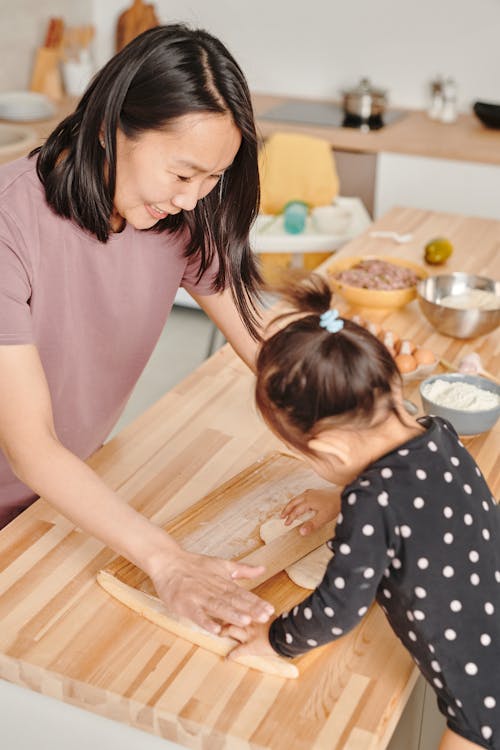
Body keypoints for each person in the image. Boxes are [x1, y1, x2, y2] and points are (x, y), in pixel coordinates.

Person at [0, 24, 275, 633]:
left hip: (61, 501)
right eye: (183, 175)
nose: (193, 198)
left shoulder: (178, 219)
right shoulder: (8, 225)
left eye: (213, 179)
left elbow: (265, 341)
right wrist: (168, 562)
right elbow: (32, 446)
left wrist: (366, 404)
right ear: (109, 128)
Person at [226, 274, 500, 750]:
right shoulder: (438, 432)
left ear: (328, 446)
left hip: (485, 695)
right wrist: (338, 500)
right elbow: (423, 496)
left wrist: (274, 640)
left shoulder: (371, 500)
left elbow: (338, 608)